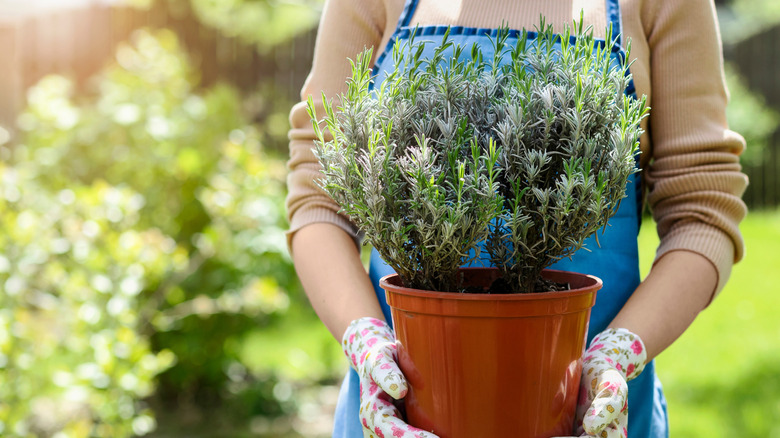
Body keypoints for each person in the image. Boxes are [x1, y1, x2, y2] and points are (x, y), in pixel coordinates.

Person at [285, 0, 748, 436]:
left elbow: (702, 214)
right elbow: (319, 194)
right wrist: (365, 340)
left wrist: (617, 353)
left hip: (593, 417)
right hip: (399, 412)